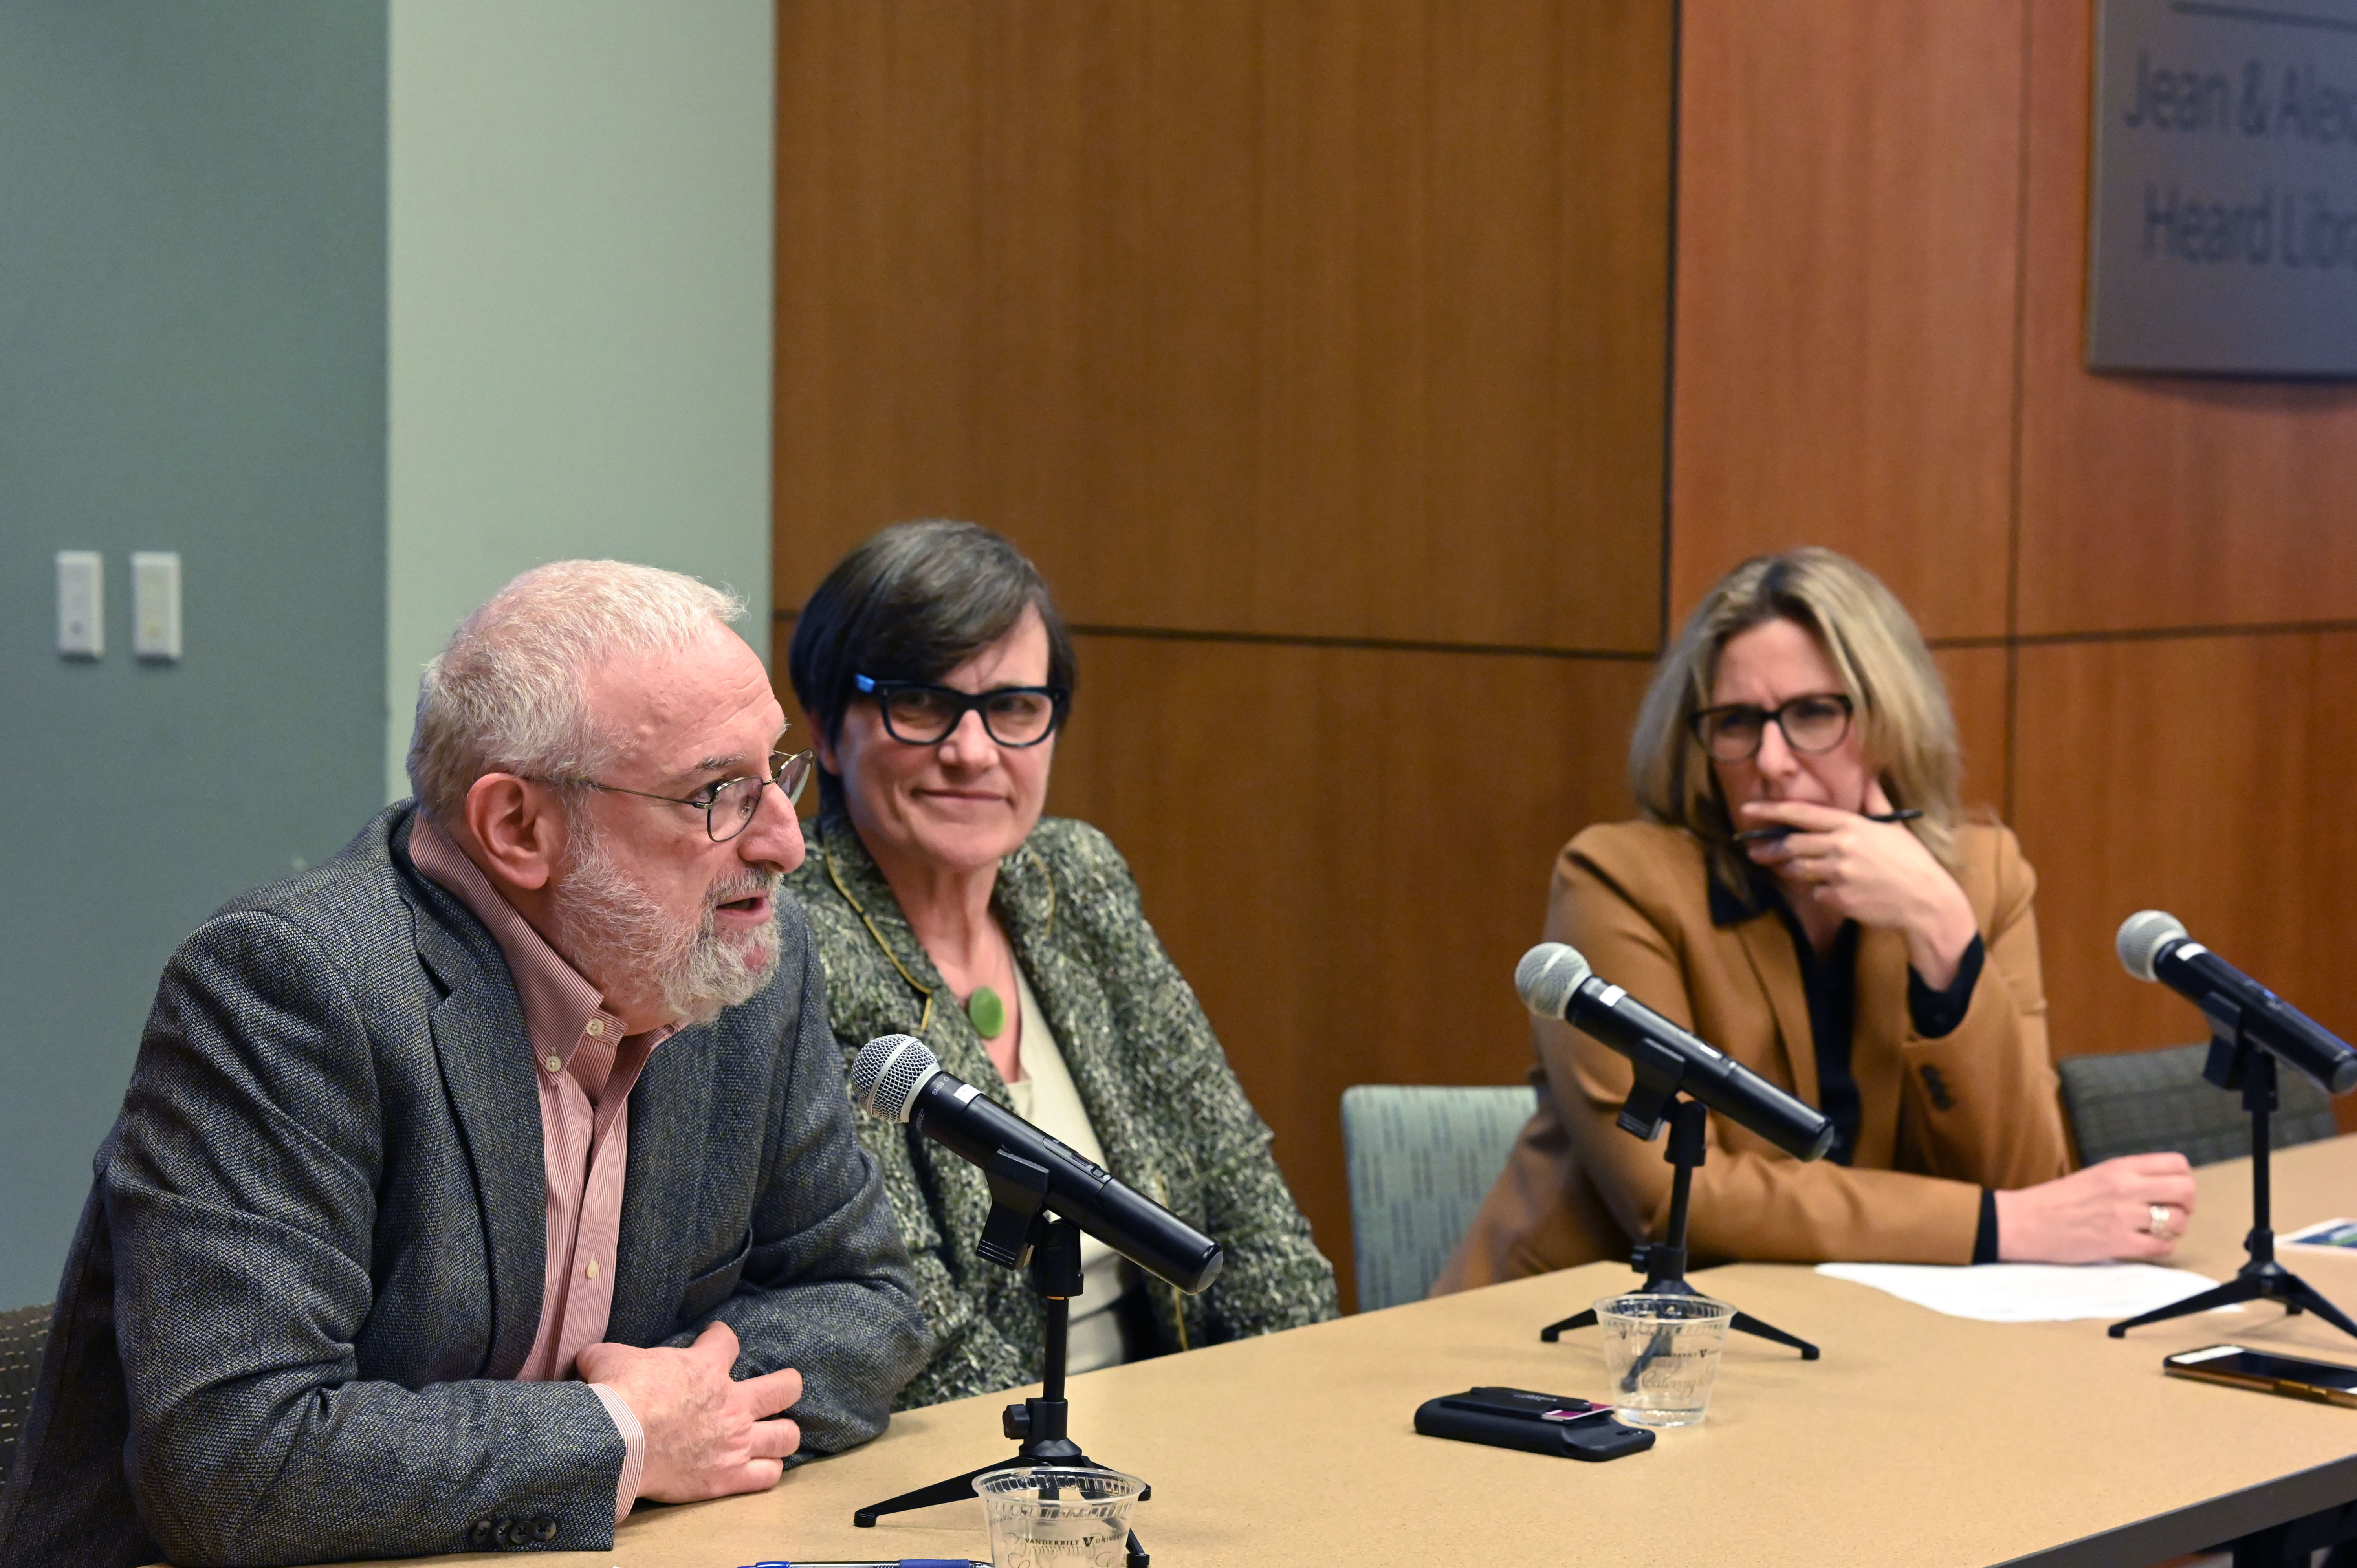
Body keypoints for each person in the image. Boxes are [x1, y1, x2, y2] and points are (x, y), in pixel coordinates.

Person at [0, 562, 926, 1568]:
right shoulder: (290, 989)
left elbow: (868, 1303)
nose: (786, 844)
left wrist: (685, 1410)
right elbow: (236, 1461)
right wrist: (621, 1435)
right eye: (718, 794)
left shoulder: (737, 962)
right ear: (518, 827)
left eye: (776, 776)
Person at [1438, 547, 2196, 1290]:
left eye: (1811, 714)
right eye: (1737, 722)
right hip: (1586, 1335)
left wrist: (1941, 931)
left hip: (1857, 1333)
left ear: (1890, 720)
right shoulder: (1617, 881)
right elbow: (1676, 1197)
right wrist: (1996, 1226)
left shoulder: (1979, 879)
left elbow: (2027, 1177)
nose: (1771, 760)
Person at [784, 520, 1336, 1408]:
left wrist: (1293, 1413)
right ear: (825, 721)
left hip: (1190, 1424)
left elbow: (1246, 1205)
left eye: (1013, 708)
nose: (972, 752)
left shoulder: (1074, 879)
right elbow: (921, 1335)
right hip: (986, 1467)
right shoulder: (793, 941)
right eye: (920, 703)